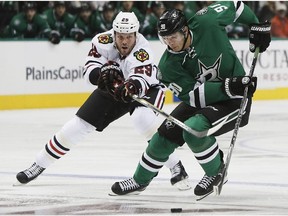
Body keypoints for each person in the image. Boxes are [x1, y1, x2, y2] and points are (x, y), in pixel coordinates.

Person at [110, 1, 271, 200]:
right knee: (163, 137)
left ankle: (215, 172)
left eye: (174, 36)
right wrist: (230, 85)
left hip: (236, 98)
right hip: (211, 95)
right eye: (165, 38)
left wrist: (256, 25)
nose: (170, 42)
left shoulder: (207, 21)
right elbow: (195, 96)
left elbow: (235, 5)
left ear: (185, 30)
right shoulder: (168, 67)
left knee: (193, 130)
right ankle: (139, 180)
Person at [16, 11, 191, 191]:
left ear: (135, 35)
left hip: (148, 89)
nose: (124, 42)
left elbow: (140, 80)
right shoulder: (101, 41)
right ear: (113, 33)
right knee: (78, 125)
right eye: (120, 36)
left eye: (128, 37)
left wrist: (129, 86)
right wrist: (102, 75)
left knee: (142, 119)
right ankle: (38, 164)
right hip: (113, 88)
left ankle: (176, 166)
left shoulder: (142, 51)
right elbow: (90, 69)